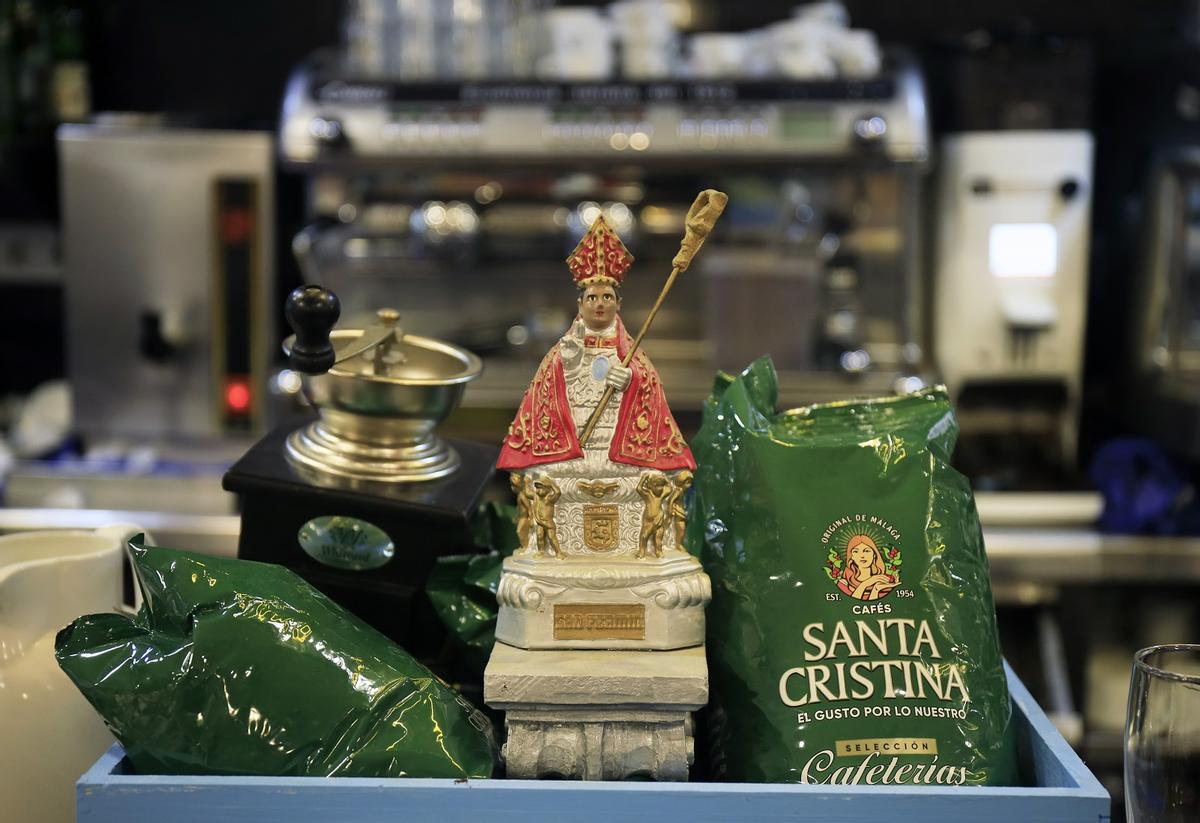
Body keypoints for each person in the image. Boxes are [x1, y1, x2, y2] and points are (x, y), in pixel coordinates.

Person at [497, 214, 694, 473]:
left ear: (618, 304)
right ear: (580, 304)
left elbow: (648, 386)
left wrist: (631, 378)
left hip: (616, 446)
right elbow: (547, 391)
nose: (600, 304)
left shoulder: (631, 353)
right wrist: (569, 366)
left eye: (607, 297)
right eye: (592, 298)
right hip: (575, 441)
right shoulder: (566, 349)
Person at [837, 534, 899, 601]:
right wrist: (865, 584)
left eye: (866, 551)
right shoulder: (844, 584)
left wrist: (876, 589)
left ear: (874, 555)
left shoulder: (883, 581)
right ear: (852, 557)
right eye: (856, 551)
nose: (862, 556)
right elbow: (849, 604)